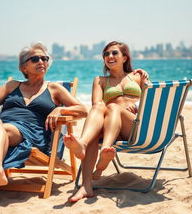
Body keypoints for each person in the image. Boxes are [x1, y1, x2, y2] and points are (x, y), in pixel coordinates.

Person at [0, 42, 87, 213]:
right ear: (24, 66)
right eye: (35, 58)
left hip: (32, 135)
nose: (41, 61)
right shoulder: (12, 86)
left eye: (44, 58)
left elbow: (83, 110)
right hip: (0, 130)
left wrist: (61, 108)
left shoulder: (54, 88)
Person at [63, 41, 149, 202]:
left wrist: (137, 105)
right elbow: (97, 104)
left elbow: (152, 99)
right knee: (98, 111)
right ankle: (86, 185)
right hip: (112, 126)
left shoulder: (137, 76)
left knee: (113, 108)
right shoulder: (100, 80)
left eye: (114, 53)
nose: (109, 56)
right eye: (106, 54)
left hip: (134, 126)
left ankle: (104, 150)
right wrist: (106, 107)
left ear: (124, 57)